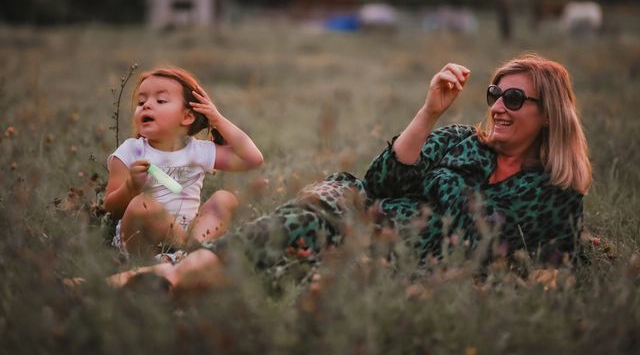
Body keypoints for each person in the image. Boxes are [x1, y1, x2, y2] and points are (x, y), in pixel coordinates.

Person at [108, 54, 591, 292]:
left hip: (400, 257)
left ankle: (147, 281)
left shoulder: (554, 190)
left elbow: (499, 243)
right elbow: (381, 183)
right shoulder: (462, 140)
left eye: (513, 98)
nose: (499, 108)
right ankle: (169, 281)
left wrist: (442, 184)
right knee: (299, 221)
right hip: (359, 211)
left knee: (284, 266)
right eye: (494, 94)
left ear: (548, 113)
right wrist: (428, 113)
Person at [104, 67, 263, 258]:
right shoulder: (130, 151)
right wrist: (131, 186)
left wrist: (218, 119)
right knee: (142, 205)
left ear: (187, 116)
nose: (146, 106)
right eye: (141, 101)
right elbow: (111, 209)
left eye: (161, 100)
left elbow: (252, 159)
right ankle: (189, 255)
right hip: (141, 242)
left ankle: (185, 254)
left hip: (187, 233)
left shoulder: (198, 151)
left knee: (225, 199)